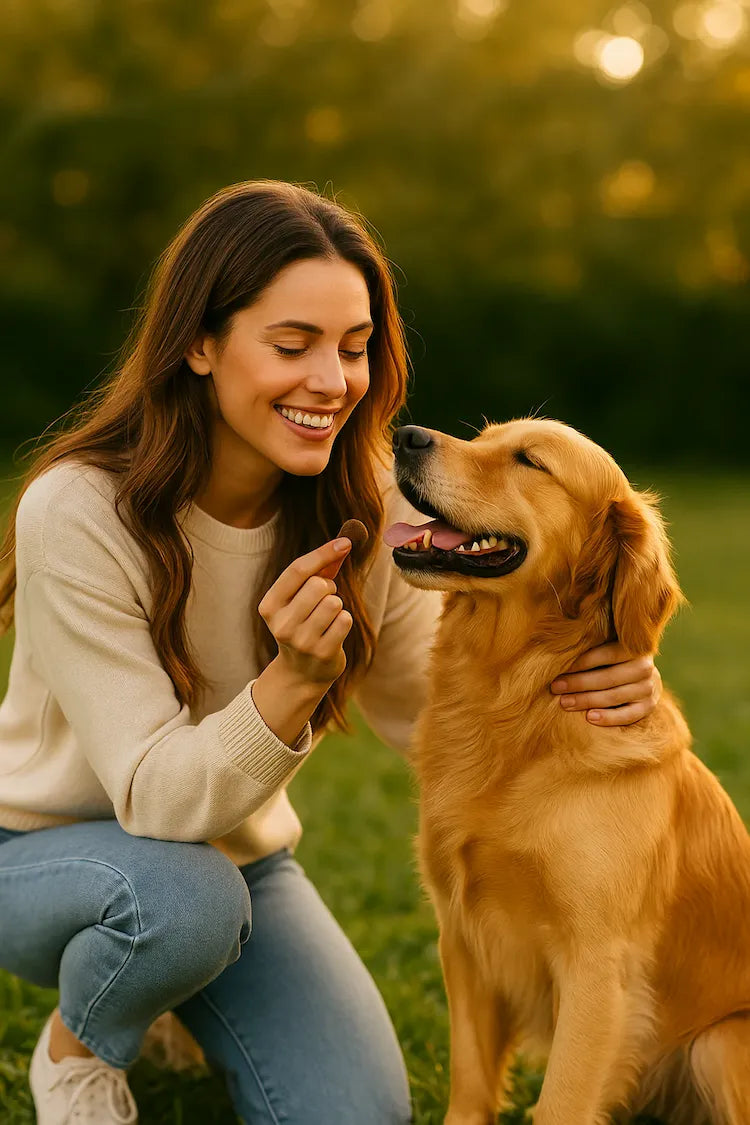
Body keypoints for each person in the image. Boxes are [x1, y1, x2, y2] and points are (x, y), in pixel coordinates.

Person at [0, 180, 661, 1125]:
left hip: (238, 866)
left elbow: (435, 709)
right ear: (199, 342)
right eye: (291, 344)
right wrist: (290, 684)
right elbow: (152, 796)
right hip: (38, 852)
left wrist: (594, 683)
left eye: (354, 348)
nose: (332, 381)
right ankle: (81, 1042)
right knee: (181, 901)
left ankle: (176, 995)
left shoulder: (375, 500)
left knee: (356, 1111)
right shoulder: (78, 510)